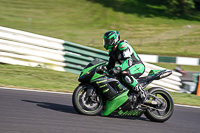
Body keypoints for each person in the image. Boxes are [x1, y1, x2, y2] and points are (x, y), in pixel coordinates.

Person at [102, 30, 147, 102]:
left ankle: (141, 92)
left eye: (108, 41)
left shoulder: (123, 46)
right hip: (126, 68)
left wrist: (118, 69)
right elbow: (110, 65)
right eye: (105, 41)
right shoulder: (112, 51)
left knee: (125, 75)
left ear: (114, 40)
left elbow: (129, 61)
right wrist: (104, 70)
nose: (106, 43)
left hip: (137, 66)